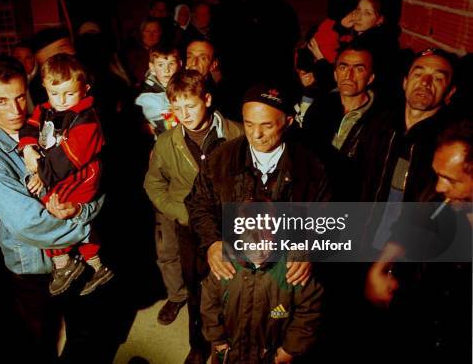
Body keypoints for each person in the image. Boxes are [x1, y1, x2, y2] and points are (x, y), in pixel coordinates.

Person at [0, 56, 105, 363]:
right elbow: (31, 224)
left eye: (20, 97)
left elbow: (96, 181)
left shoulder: (58, 122)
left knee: (84, 335)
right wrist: (86, 224)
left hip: (73, 256)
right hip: (34, 269)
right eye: (2, 101)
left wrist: (82, 209)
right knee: (41, 343)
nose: (15, 110)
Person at [185, 84, 324, 352]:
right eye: (249, 124)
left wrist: (306, 247)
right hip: (231, 269)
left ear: (288, 122)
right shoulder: (222, 158)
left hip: (278, 279)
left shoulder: (311, 166)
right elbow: (198, 204)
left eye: (267, 126)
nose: (256, 135)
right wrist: (213, 242)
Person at [144, 70, 243, 363]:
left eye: (191, 105)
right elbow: (153, 183)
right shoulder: (166, 143)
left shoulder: (237, 133)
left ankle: (232, 341)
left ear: (208, 99)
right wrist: (179, 212)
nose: (184, 114)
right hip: (189, 228)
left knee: (234, 286)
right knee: (196, 289)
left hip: (231, 226)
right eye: (177, 107)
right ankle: (199, 345)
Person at [364, 119, 472, 364]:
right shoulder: (436, 197)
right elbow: (410, 226)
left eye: (452, 180)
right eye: (438, 175)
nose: (439, 186)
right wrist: (381, 266)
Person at [18, 53, 113, 297]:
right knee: (62, 215)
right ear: (45, 88)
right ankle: (96, 266)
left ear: (85, 89)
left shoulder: (87, 122)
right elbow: (29, 126)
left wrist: (41, 173)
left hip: (81, 177)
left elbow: (64, 162)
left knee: (52, 212)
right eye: (54, 93)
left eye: (69, 94)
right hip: (58, 173)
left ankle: (63, 265)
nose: (61, 101)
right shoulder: (45, 109)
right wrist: (28, 148)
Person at [356, 48, 458, 248]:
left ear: (450, 93)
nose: (425, 83)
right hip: (359, 243)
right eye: (418, 74)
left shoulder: (447, 146)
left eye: (437, 78)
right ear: (405, 82)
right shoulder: (378, 125)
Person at [201, 229, 323, 363]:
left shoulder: (293, 269)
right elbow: (209, 305)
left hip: (271, 355)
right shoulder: (225, 266)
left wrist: (290, 348)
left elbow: (309, 311)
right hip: (229, 352)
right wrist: (218, 339)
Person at [303, 42, 381, 199]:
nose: (349, 75)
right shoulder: (320, 107)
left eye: (359, 69)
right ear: (335, 74)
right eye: (343, 67)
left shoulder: (380, 119)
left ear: (370, 78)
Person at [135, 44, 182, 138]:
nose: (166, 70)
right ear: (152, 67)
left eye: (171, 64)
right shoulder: (146, 94)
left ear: (180, 64)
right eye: (160, 65)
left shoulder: (185, 84)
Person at [12, 40, 42, 113]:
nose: (23, 63)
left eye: (28, 58)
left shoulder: (44, 78)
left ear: (34, 58)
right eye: (18, 58)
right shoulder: (9, 80)